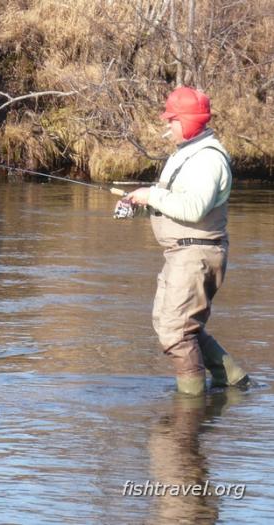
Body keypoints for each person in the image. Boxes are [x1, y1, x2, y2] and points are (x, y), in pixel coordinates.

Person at [123, 86, 250, 395]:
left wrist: (150, 194)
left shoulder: (208, 160)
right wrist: (142, 205)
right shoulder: (188, 154)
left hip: (196, 254)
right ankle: (231, 379)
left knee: (177, 331)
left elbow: (193, 209)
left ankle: (190, 402)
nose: (168, 125)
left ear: (189, 121)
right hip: (182, 253)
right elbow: (177, 203)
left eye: (172, 119)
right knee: (173, 325)